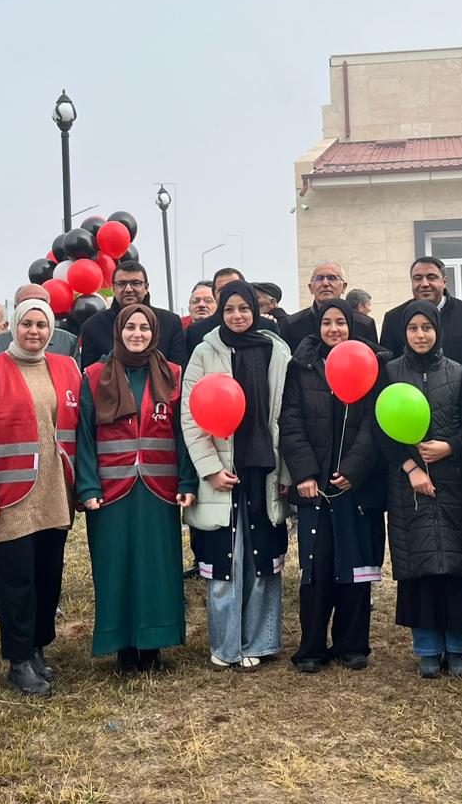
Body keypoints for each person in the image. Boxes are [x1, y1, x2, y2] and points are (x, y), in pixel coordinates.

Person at [0, 298, 81, 696]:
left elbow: (78, 429)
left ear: (52, 330)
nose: (34, 332)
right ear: (13, 326)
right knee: (17, 581)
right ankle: (17, 660)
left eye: (42, 325)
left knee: (49, 576)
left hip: (56, 491)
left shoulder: (67, 369)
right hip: (10, 495)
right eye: (27, 324)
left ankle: (37, 648)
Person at [76, 303, 196, 672]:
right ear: (119, 331)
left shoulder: (173, 374)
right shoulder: (94, 376)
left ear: (154, 333)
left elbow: (185, 432)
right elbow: (83, 434)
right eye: (130, 327)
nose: (138, 334)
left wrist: (188, 480)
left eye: (144, 328)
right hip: (111, 491)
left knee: (157, 567)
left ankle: (154, 644)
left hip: (160, 488)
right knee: (116, 567)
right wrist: (87, 486)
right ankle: (123, 645)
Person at [180, 281, 291, 670]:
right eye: (230, 309)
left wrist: (286, 471)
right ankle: (226, 646)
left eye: (245, 308)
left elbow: (284, 415)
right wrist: (210, 470)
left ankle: (258, 642)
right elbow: (191, 417)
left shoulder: (276, 350)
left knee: (263, 561)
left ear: (256, 312)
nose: (238, 316)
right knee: (225, 563)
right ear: (220, 312)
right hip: (222, 471)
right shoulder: (204, 351)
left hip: (264, 469)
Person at [279, 297, 387, 673]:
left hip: (356, 486)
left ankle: (352, 643)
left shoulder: (374, 365)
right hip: (315, 488)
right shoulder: (302, 366)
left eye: (341, 322)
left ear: (353, 327)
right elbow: (290, 421)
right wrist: (305, 473)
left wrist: (354, 469)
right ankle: (311, 646)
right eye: (327, 323)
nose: (334, 329)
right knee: (317, 565)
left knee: (355, 566)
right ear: (318, 328)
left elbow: (376, 425)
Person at [379, 256, 462, 606]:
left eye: (431, 276)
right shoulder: (394, 318)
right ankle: (420, 581)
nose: (424, 282)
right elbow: (387, 383)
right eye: (417, 277)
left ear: (445, 279)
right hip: (409, 440)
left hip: (456, 432)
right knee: (413, 517)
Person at [378, 301, 462, 678]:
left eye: (427, 328)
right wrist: (410, 468)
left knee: (455, 565)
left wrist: (449, 446)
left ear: (437, 331)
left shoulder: (456, 372)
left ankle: (457, 649)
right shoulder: (390, 372)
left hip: (452, 482)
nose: (420, 335)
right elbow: (381, 431)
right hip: (409, 486)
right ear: (404, 333)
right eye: (413, 328)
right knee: (419, 565)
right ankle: (425, 648)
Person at [77, 262, 187, 369]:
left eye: (136, 283)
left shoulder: (170, 322)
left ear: (146, 287)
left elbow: (177, 373)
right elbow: (90, 375)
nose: (129, 289)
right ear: (113, 288)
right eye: (121, 284)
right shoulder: (93, 326)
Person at [282, 262, 379, 348]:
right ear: (311, 288)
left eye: (332, 278)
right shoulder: (292, 324)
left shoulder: (364, 324)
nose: (325, 283)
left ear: (344, 287)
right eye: (319, 278)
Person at [0, 285, 78, 360]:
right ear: (16, 308)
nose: (34, 306)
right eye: (27, 302)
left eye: (41, 302)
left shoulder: (68, 342)